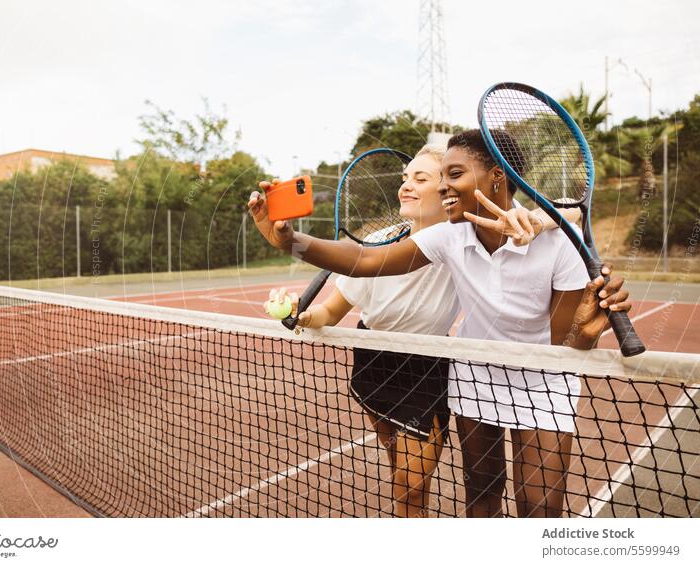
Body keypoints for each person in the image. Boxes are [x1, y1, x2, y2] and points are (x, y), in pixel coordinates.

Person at [249, 131, 631, 518]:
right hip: (476, 373)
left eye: (454, 173)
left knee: (541, 507)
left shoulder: (559, 243)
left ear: (496, 176)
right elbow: (364, 260)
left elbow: (562, 341)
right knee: (481, 498)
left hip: (543, 379)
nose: (444, 185)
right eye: (442, 175)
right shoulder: (450, 236)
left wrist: (584, 335)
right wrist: (290, 242)